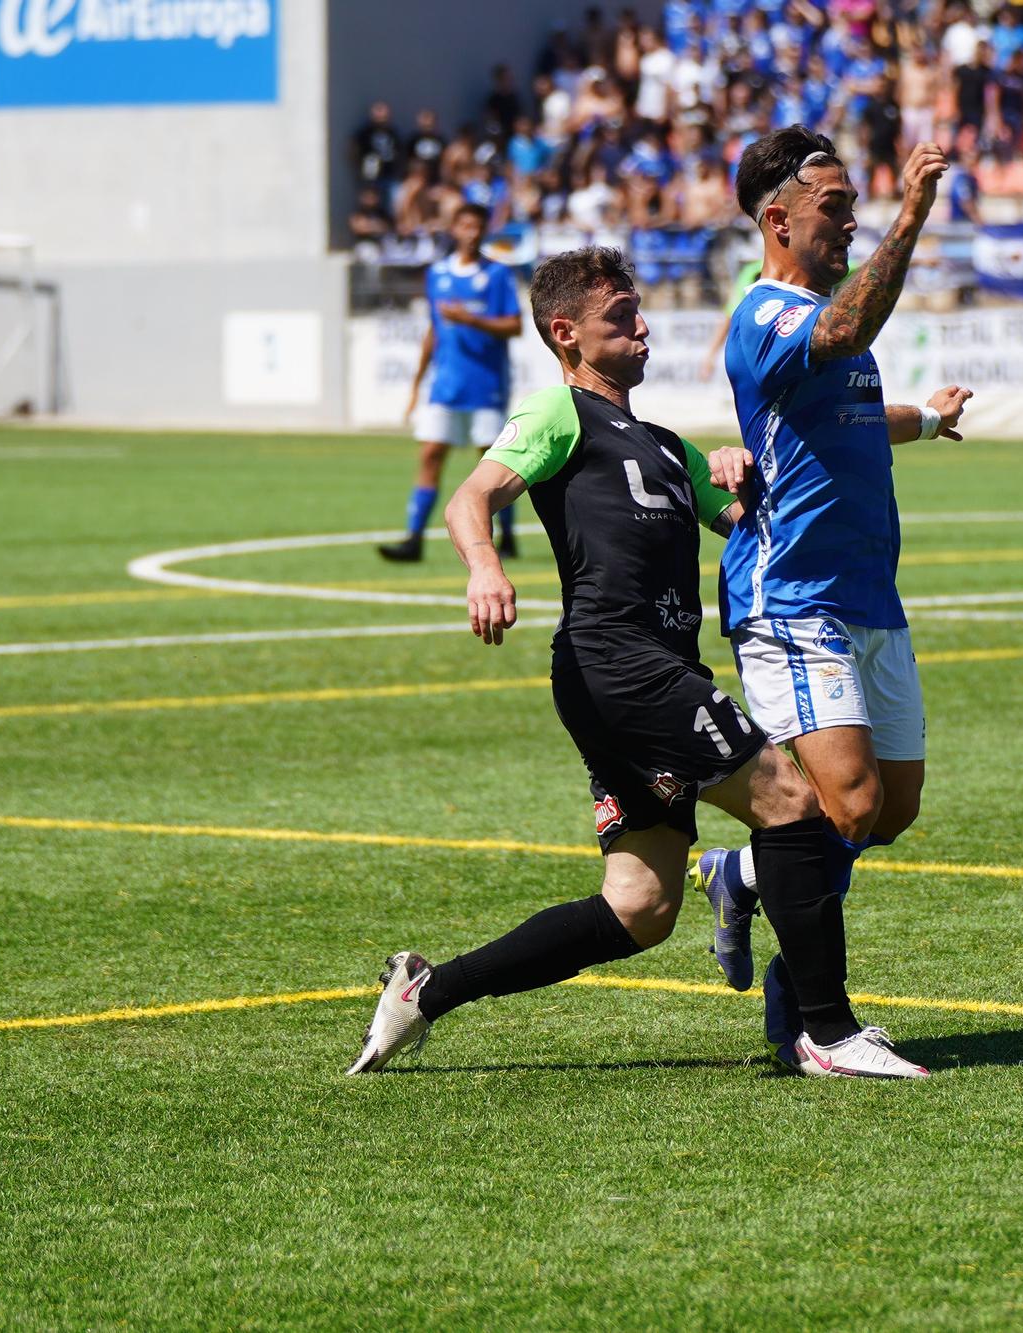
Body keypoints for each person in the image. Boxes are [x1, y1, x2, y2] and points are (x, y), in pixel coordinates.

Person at [346, 246, 927, 1081]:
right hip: (617, 661)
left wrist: (738, 468)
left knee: (643, 906)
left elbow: (751, 516)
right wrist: (484, 565)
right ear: (566, 332)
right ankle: (827, 1033)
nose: (644, 327)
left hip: (638, 670)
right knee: (794, 805)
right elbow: (472, 497)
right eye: (621, 317)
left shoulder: (663, 443)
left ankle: (427, 990)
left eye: (640, 310)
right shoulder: (560, 415)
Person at [689, 127, 973, 1067]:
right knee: (842, 807)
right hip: (793, 596)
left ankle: (744, 874)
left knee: (891, 809)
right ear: (777, 219)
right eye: (834, 207)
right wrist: (913, 212)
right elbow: (846, 331)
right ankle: (821, 1026)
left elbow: (851, 410)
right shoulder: (770, 313)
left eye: (856, 205)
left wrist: (926, 419)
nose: (849, 221)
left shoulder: (823, 320)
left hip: (869, 597)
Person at [379, 203, 524, 563]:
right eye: (464, 226)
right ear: (454, 229)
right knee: (430, 454)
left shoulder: (497, 275)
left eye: (477, 227)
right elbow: (434, 330)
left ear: (484, 230)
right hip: (446, 384)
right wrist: (416, 382)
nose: (471, 233)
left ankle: (507, 537)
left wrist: (471, 319)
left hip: (486, 384)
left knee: (493, 462)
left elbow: (515, 325)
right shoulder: (438, 273)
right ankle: (413, 539)